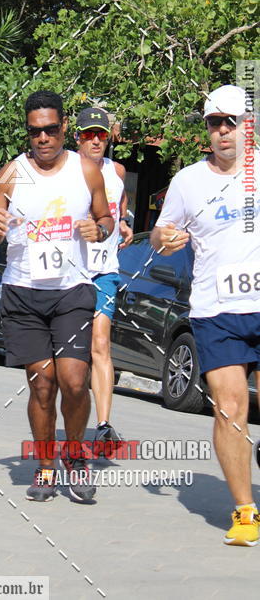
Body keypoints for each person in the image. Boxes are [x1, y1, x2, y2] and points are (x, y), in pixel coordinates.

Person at [0, 90, 114, 503]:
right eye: (35, 131)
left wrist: (100, 229)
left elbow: (107, 217)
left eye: (51, 130)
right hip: (24, 292)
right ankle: (44, 466)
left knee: (74, 381)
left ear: (64, 128)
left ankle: (74, 458)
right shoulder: (12, 173)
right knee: (42, 385)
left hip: (72, 290)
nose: (43, 139)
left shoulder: (86, 170)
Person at [151, 84, 260, 546]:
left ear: (247, 126)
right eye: (213, 123)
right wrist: (165, 239)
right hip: (217, 310)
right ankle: (245, 513)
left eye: (229, 122)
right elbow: (160, 233)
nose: (221, 131)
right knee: (231, 409)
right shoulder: (188, 181)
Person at [76, 107, 133, 447]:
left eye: (101, 135)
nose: (95, 140)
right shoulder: (66, 170)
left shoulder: (118, 170)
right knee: (70, 352)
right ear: (77, 137)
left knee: (100, 343)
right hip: (69, 271)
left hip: (105, 270)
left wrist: (125, 221)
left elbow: (121, 204)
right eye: (88, 134)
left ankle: (103, 424)